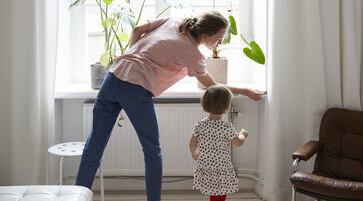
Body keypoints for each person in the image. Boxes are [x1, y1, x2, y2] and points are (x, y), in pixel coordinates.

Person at [75, 11, 266, 201]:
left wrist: (131, 56)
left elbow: (137, 29)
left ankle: (76, 197)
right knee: (152, 151)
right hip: (135, 87)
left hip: (113, 76)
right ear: (206, 35)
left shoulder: (174, 21)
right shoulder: (193, 54)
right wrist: (246, 90)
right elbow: (212, 85)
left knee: (94, 147)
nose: (220, 43)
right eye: (218, 38)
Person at [189, 85, 248, 201]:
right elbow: (238, 143)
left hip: (206, 166)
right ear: (226, 107)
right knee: (220, 194)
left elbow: (192, 142)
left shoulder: (200, 124)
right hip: (221, 168)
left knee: (213, 192)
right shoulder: (226, 127)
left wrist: (194, 152)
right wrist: (243, 134)